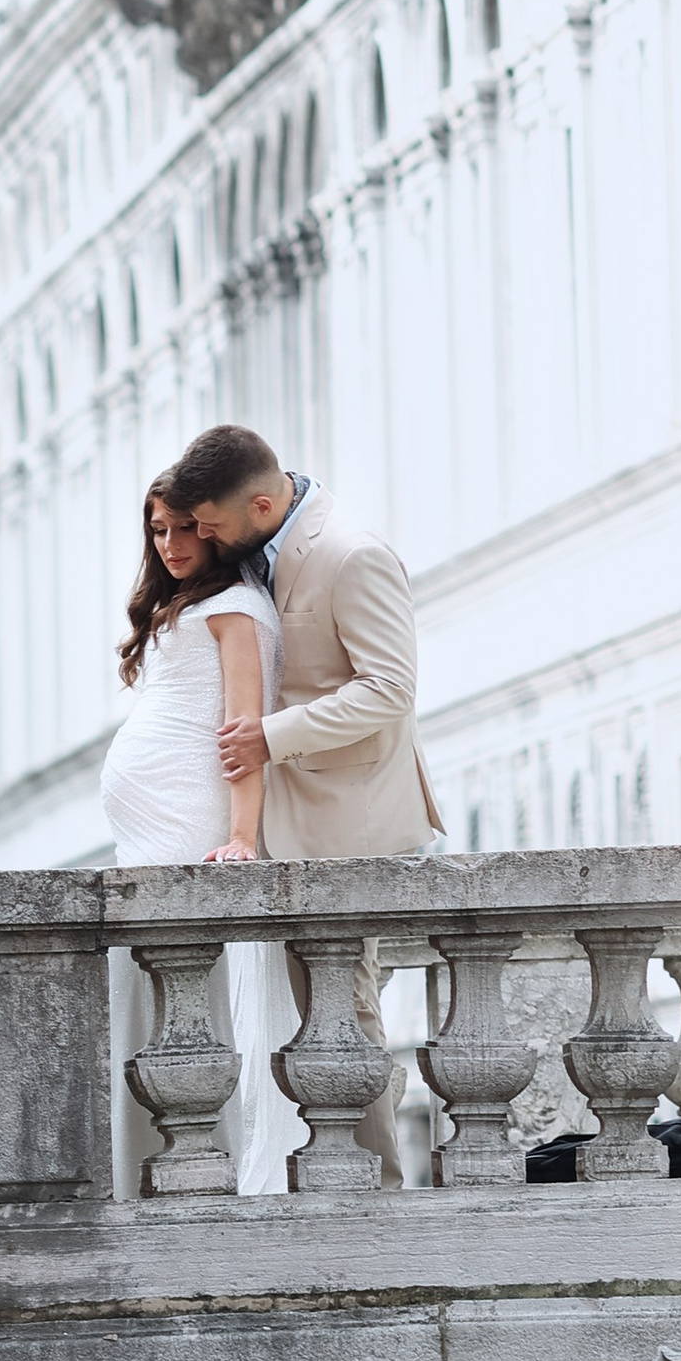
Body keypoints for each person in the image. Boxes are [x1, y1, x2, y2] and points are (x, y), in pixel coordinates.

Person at [165, 422, 441, 1181]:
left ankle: (376, 1189)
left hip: (343, 818)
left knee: (344, 1012)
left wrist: (270, 736)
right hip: (286, 818)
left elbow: (390, 689)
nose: (201, 538)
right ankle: (329, 1173)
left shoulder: (353, 553)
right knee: (313, 1011)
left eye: (210, 525)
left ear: (260, 503)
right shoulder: (258, 551)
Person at [97, 470, 300, 1194]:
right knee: (142, 999)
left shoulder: (236, 606)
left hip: (195, 823)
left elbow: (246, 729)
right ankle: (140, 1171)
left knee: (192, 997)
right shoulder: (177, 606)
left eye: (187, 528)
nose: (173, 544)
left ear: (214, 532)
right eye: (159, 530)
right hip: (151, 830)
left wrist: (243, 834)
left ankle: (207, 1170)